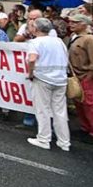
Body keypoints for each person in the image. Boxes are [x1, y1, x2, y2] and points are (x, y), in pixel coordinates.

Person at [25, 18, 70, 151]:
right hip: (61, 79)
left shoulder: (35, 42)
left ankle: (44, 139)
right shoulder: (59, 41)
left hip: (43, 78)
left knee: (42, 109)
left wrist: (30, 73)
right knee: (60, 111)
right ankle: (64, 142)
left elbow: (32, 59)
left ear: (36, 29)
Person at [67, 13, 93, 144]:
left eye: (74, 22)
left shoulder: (89, 39)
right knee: (79, 103)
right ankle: (85, 126)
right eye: (70, 22)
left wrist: (88, 76)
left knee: (89, 104)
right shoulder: (73, 37)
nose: (71, 24)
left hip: (85, 76)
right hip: (75, 75)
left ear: (84, 24)